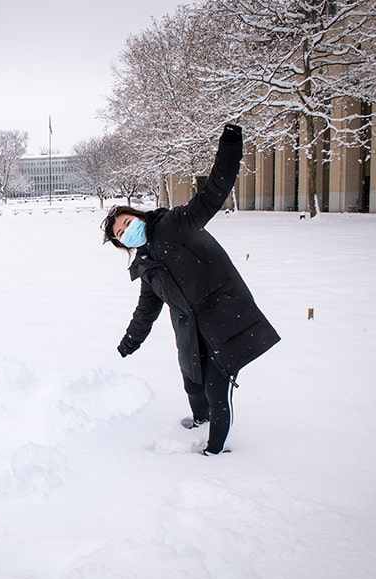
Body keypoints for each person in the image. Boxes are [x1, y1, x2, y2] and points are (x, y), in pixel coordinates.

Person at [101, 124, 279, 456]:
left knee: (215, 388)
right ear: (121, 244)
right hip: (188, 331)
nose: (127, 230)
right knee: (192, 383)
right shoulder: (147, 266)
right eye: (121, 233)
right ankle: (200, 420)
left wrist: (229, 143)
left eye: (127, 223)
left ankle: (214, 451)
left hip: (220, 318)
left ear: (138, 216)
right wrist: (130, 342)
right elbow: (146, 310)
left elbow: (214, 190)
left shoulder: (174, 224)